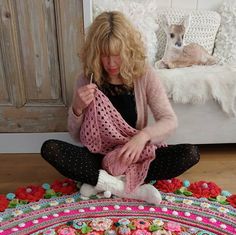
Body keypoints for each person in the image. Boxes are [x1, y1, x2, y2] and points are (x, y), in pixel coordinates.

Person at [41, 11, 200, 205]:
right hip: (98, 157)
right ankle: (126, 189)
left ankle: (102, 182)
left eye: (117, 55)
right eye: (104, 56)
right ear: (95, 53)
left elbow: (169, 120)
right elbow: (75, 136)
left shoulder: (144, 75)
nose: (110, 63)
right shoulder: (86, 79)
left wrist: (142, 137)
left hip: (136, 155)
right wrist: (77, 109)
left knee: (190, 153)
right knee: (51, 149)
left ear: (128, 50)